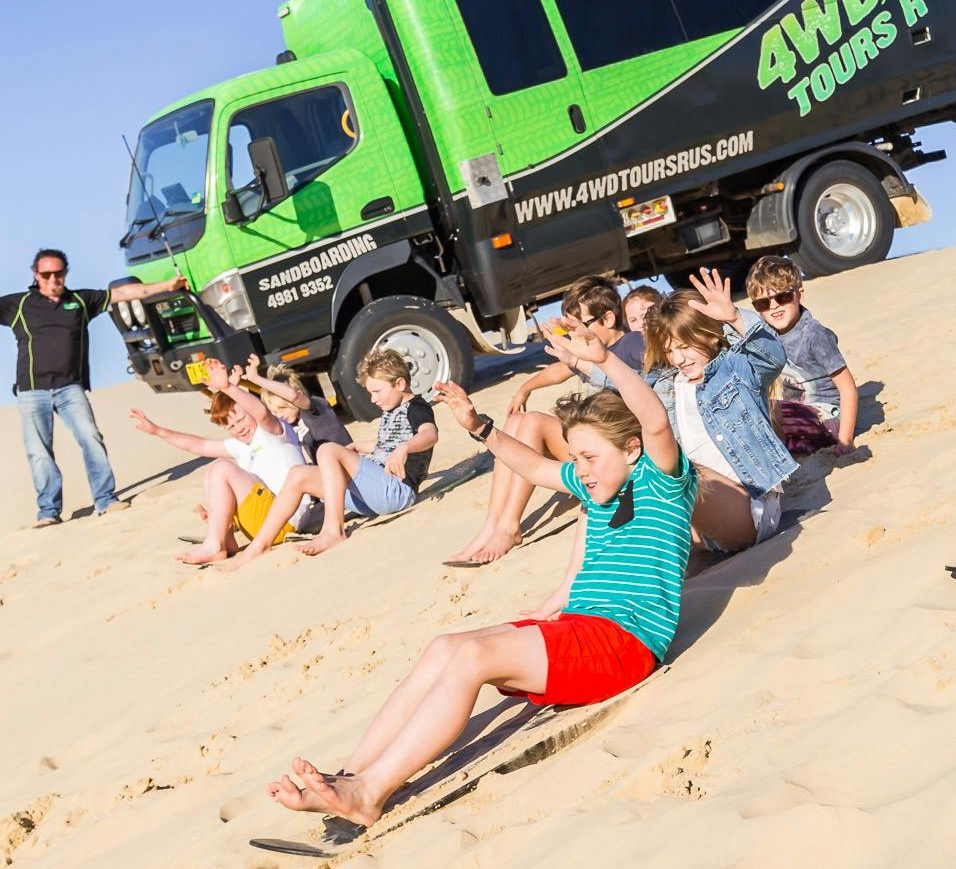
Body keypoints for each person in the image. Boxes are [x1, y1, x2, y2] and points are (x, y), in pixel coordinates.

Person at [265, 327, 694, 830]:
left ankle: (369, 794)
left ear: (632, 450)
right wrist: (480, 427)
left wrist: (606, 361)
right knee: (444, 647)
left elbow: (655, 419)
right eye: (576, 457)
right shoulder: (593, 482)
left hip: (625, 644)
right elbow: (534, 467)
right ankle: (349, 777)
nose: (581, 470)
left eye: (591, 457)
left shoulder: (661, 481)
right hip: (580, 630)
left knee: (471, 659)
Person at [0, 249, 185, 527]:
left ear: (66, 273)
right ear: (36, 275)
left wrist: (167, 286)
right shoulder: (19, 304)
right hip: (32, 392)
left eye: (58, 273)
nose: (53, 278)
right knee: (39, 452)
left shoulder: (80, 300)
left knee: (91, 438)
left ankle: (105, 500)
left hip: (70, 389)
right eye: (46, 274)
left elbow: (124, 294)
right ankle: (48, 511)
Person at [443, 276, 646, 567]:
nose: (574, 333)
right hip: (589, 443)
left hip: (613, 449)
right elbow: (556, 372)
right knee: (517, 423)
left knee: (532, 424)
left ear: (609, 318)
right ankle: (492, 525)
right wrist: (525, 388)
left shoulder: (629, 345)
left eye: (580, 325)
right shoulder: (588, 349)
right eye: (569, 327)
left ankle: (509, 526)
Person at [644, 267, 796, 553]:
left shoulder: (734, 370)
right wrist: (597, 360)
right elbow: (630, 391)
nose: (678, 358)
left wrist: (736, 318)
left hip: (750, 509)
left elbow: (773, 358)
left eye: (685, 346)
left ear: (711, 336)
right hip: (704, 522)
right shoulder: (669, 384)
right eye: (669, 350)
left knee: (677, 473)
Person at [130, 362, 311, 568]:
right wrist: (157, 431)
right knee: (211, 474)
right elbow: (199, 445)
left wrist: (227, 387)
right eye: (231, 426)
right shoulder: (241, 446)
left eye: (241, 419)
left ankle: (214, 544)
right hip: (262, 524)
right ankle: (225, 541)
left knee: (221, 469)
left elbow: (261, 412)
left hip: (286, 520)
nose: (239, 428)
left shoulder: (273, 431)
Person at [279, 350, 438, 556]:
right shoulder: (392, 410)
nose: (373, 399)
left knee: (327, 449)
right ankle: (259, 546)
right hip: (375, 495)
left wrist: (405, 448)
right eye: (370, 393)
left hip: (397, 491)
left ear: (399, 384)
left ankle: (333, 530)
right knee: (298, 474)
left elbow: (430, 434)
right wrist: (358, 447)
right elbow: (386, 445)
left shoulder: (416, 408)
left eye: (377, 391)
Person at [745, 255, 860, 456]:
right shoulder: (768, 334)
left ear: (799, 295)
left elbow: (848, 388)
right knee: (750, 407)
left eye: (783, 297)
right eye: (763, 303)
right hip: (797, 419)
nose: (774, 306)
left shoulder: (815, 335)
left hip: (829, 419)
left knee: (771, 409)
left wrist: (846, 439)